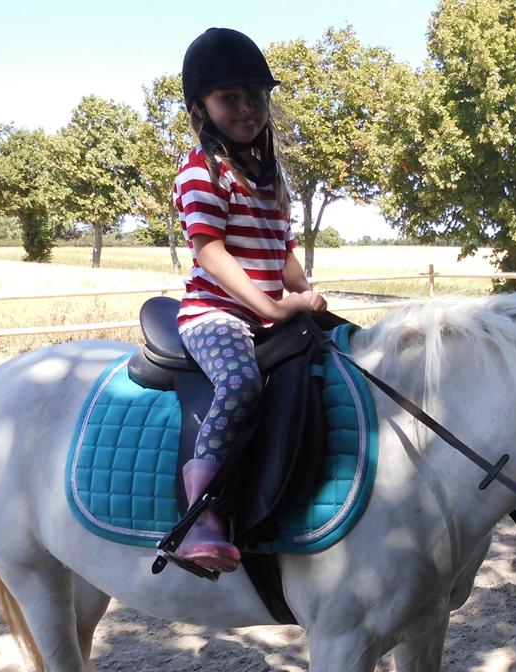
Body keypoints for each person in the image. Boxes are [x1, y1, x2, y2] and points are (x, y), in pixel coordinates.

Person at [172, 26, 326, 573]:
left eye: (255, 96)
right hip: (215, 315)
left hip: (265, 313)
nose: (246, 107)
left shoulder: (270, 175)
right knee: (239, 383)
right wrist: (269, 307)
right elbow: (210, 252)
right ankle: (202, 513)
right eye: (229, 97)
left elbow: (280, 252)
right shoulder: (201, 170)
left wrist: (305, 292)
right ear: (202, 108)